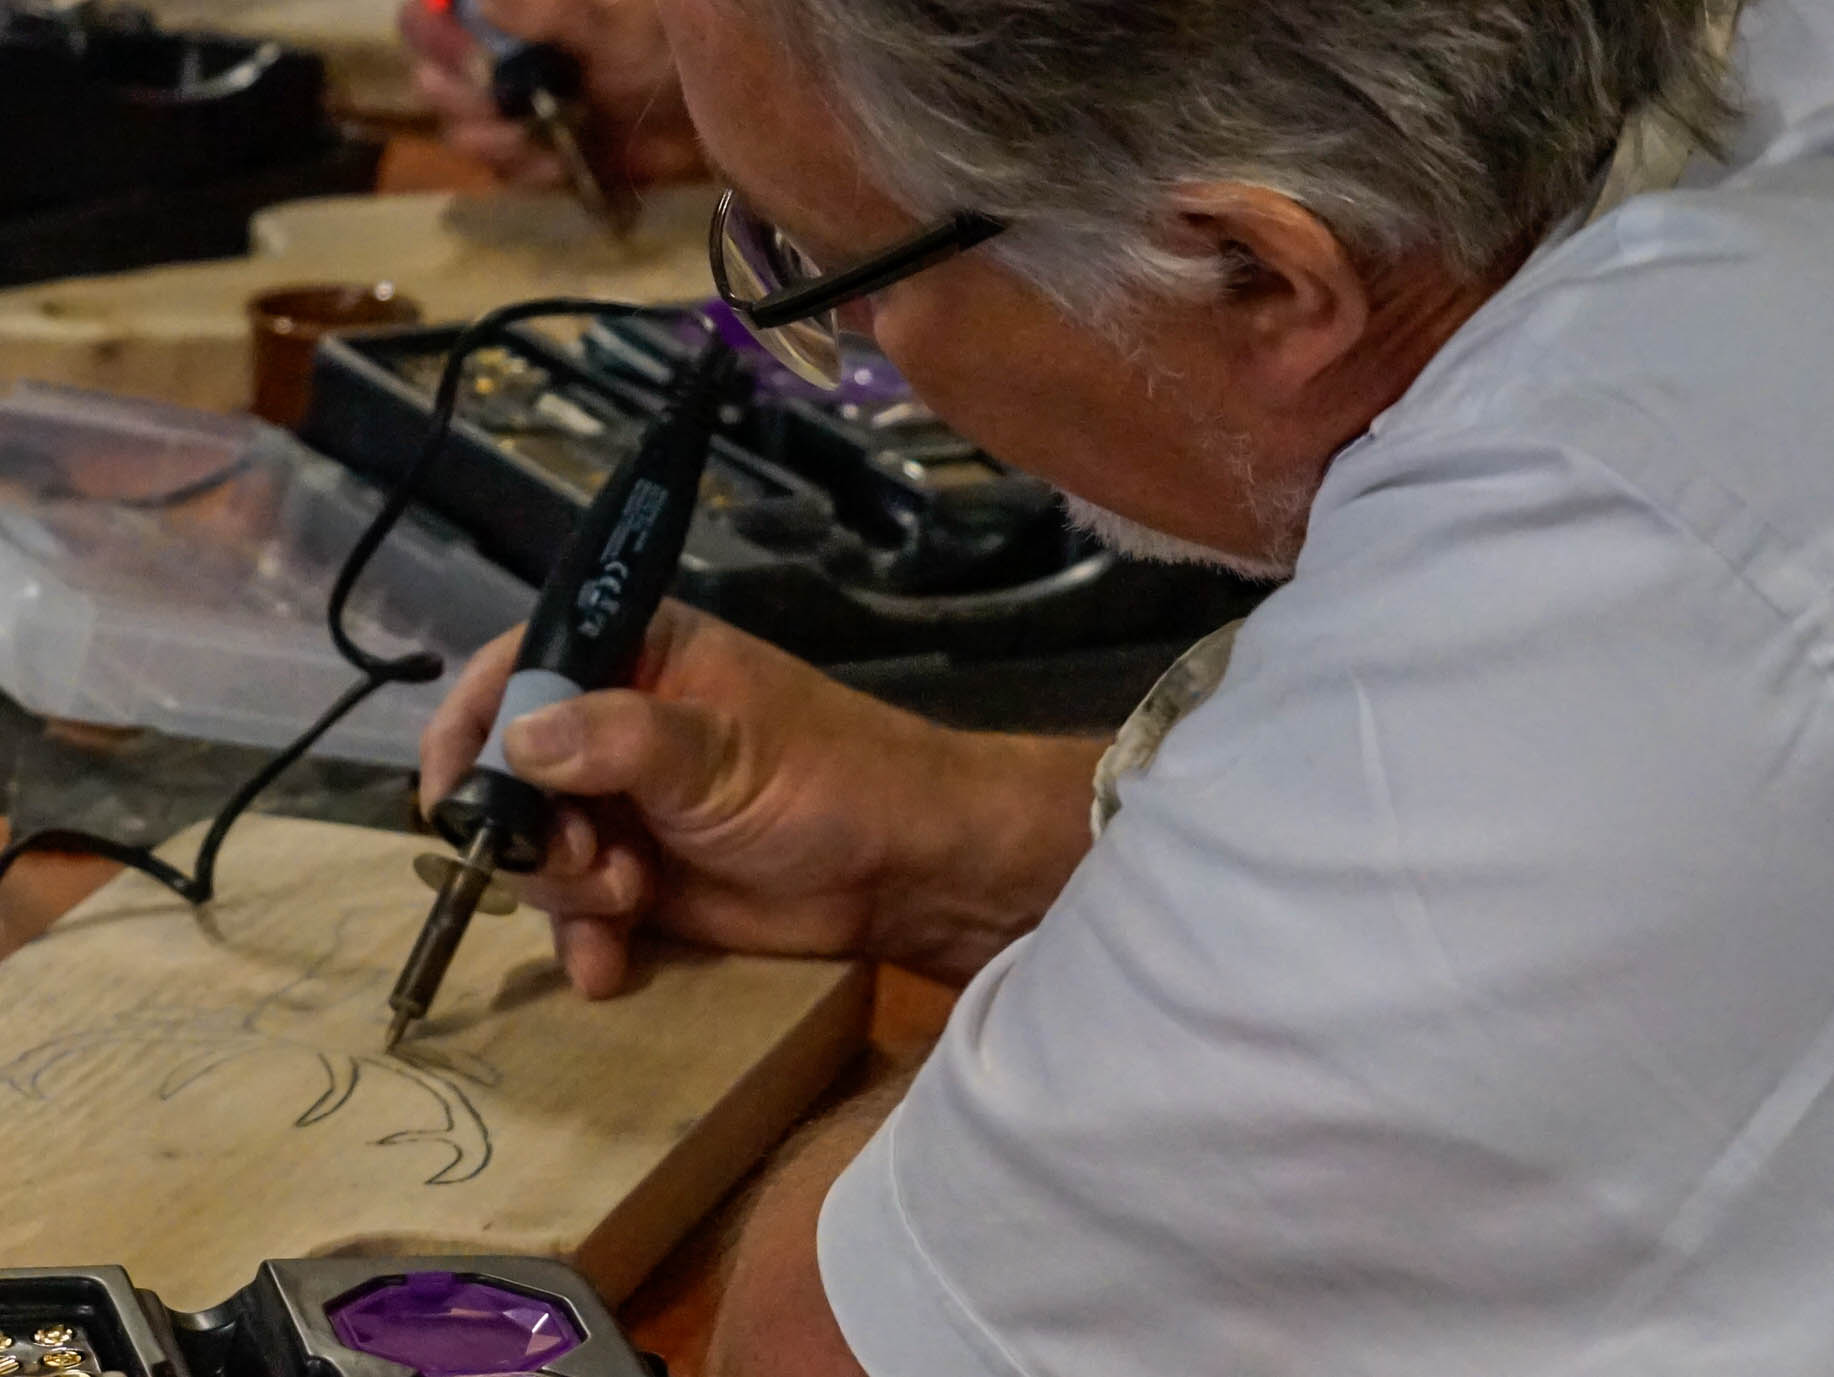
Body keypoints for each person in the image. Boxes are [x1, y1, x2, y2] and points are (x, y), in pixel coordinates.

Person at [411, 0, 1834, 1369]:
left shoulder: (1584, 588)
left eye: (819, 264)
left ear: (1253, 276)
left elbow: (825, 1341)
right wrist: (970, 838)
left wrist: (1099, 1021)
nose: (865, 370)